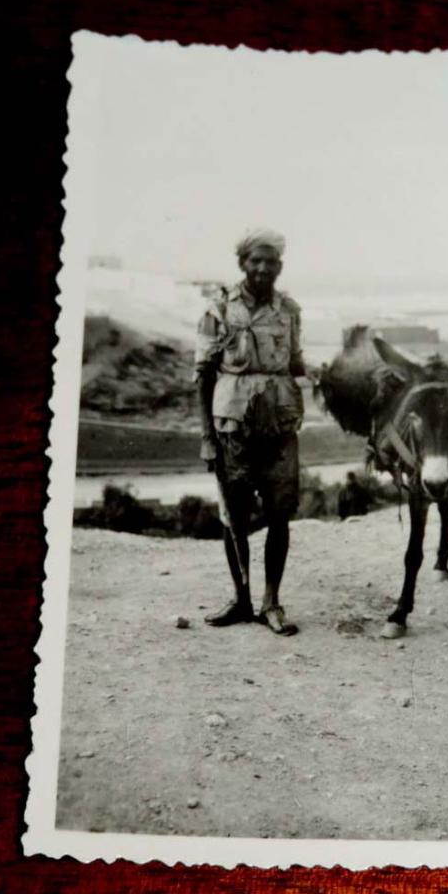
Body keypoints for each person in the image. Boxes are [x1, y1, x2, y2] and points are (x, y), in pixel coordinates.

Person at [195, 228, 306, 635]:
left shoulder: (289, 310)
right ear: (242, 263)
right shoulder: (219, 309)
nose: (262, 268)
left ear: (280, 266)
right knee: (234, 515)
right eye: (255, 260)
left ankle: (271, 603)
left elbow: (296, 363)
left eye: (270, 261)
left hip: (279, 425)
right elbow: (203, 375)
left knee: (280, 514)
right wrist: (208, 438)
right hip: (233, 427)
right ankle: (241, 599)